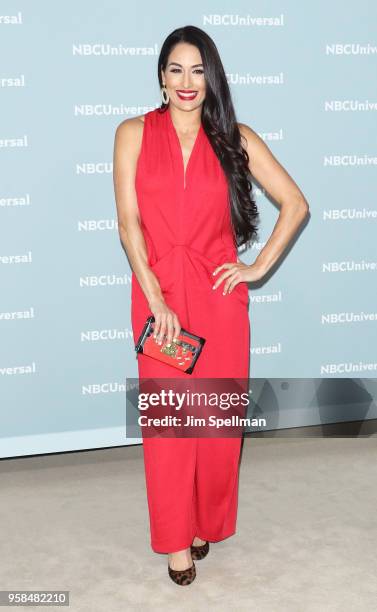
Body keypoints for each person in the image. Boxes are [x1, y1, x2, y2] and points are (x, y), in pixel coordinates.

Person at [113, 25, 309, 586]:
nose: (186, 82)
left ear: (212, 77)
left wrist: (256, 267)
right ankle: (176, 541)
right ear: (160, 76)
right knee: (172, 424)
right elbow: (128, 224)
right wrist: (155, 299)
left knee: (215, 424)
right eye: (176, 69)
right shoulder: (132, 133)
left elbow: (295, 203)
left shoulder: (234, 138)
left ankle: (204, 523)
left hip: (219, 296)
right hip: (159, 295)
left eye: (198, 70)